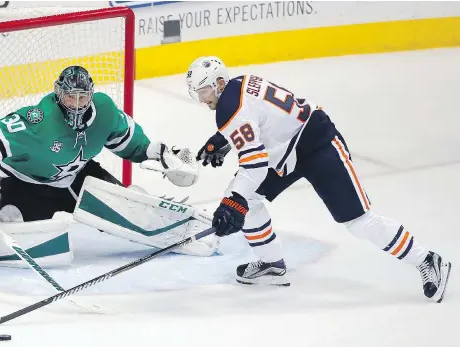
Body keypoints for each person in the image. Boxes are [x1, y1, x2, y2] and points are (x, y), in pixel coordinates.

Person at [188, 56, 451, 303]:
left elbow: (254, 163)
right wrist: (226, 138)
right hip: (285, 152)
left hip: (319, 145)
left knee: (359, 222)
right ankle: (271, 263)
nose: (202, 100)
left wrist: (234, 202)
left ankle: (426, 259)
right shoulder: (240, 83)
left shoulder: (229, 109)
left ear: (219, 84)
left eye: (204, 92)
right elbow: (261, 115)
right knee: (247, 197)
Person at [0, 65, 214, 268]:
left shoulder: (105, 111)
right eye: (71, 96)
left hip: (79, 177)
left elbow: (130, 144)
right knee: (14, 227)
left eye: (83, 96)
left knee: (130, 203)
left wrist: (159, 154)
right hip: (28, 186)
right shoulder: (37, 120)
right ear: (59, 94)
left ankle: (181, 232)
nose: (78, 102)